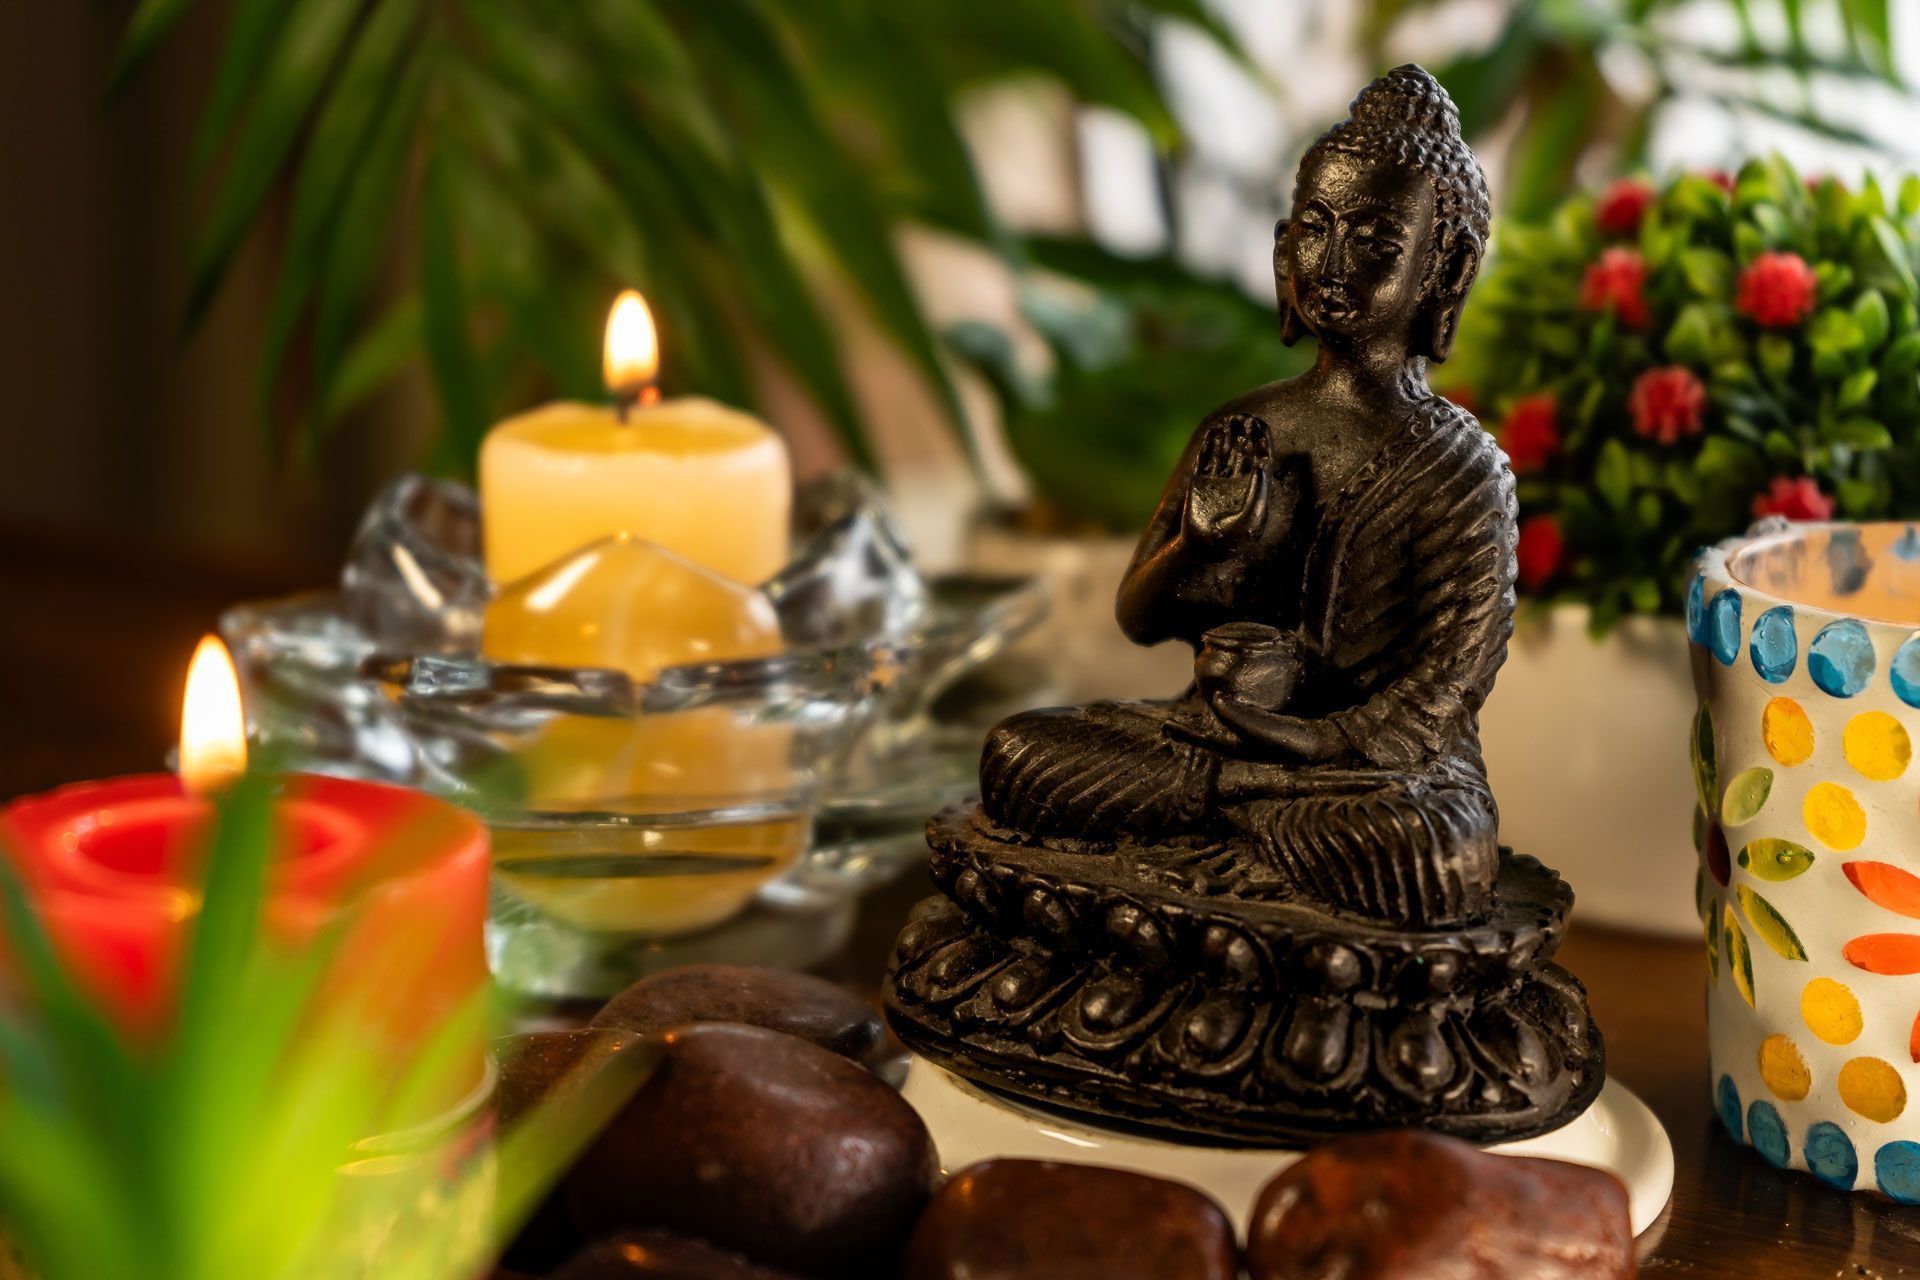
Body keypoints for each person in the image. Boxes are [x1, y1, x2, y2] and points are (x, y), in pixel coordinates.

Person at [978, 64, 1515, 928]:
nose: (1334, 266)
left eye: (1375, 244)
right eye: (1316, 231)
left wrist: (1302, 743)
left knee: (1436, 852)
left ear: (1443, 267)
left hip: (1366, 778)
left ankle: (1218, 832)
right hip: (1215, 741)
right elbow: (1139, 618)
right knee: (1018, 754)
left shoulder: (1462, 471)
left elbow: (1438, 697)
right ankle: (1238, 825)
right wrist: (1201, 547)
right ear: (1282, 247)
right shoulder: (1246, 429)